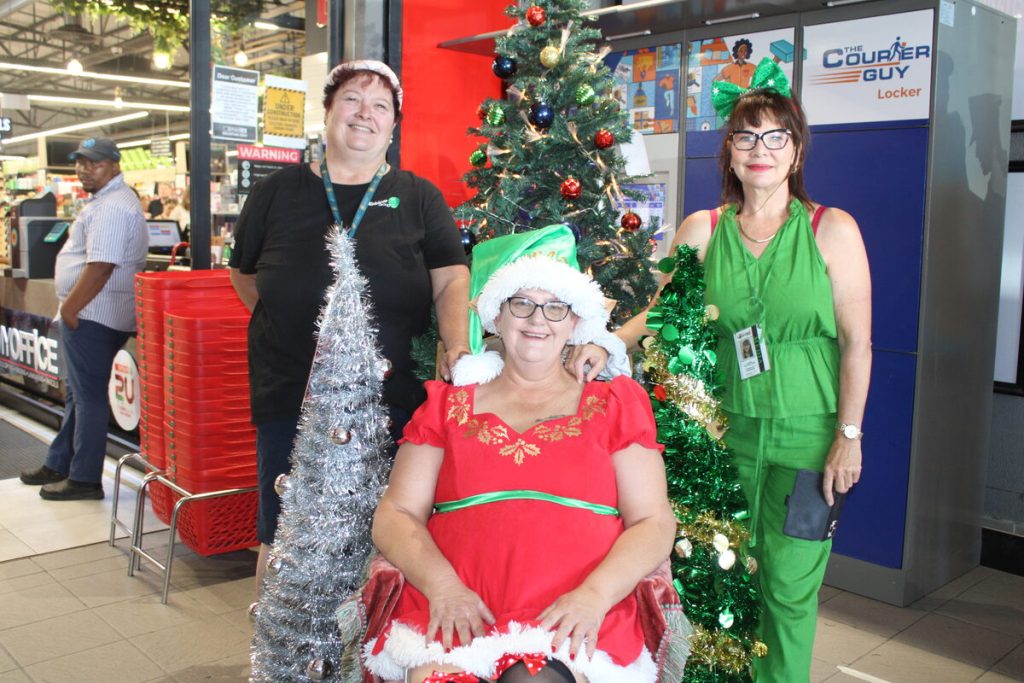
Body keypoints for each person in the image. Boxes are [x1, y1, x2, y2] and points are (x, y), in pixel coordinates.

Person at [229, 61, 611, 596]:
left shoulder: (417, 196)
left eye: (380, 106)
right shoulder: (275, 193)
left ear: (393, 125)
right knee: (285, 531)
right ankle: (281, 657)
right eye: (352, 101)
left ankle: (367, 661)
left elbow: (452, 279)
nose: (364, 114)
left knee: (389, 529)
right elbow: (245, 278)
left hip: (393, 396)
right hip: (292, 394)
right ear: (328, 112)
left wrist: (456, 344)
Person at [616, 58, 871, 683]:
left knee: (788, 589)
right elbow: (660, 315)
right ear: (728, 152)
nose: (760, 149)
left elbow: (858, 345)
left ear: (797, 149)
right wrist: (597, 341)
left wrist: (849, 436)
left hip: (808, 440)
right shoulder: (702, 230)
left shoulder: (831, 230)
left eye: (775, 136)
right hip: (719, 439)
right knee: (718, 587)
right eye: (746, 136)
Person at [364, 247, 679, 683]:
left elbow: (653, 521)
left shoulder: (615, 404)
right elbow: (395, 513)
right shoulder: (446, 405)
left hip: (573, 611)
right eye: (522, 303)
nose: (537, 320)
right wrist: (442, 587)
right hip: (458, 606)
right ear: (497, 315)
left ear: (574, 322)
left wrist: (595, 595)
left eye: (555, 307)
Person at [20, 137, 148, 500]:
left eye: (93, 162)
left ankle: (85, 478)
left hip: (94, 315)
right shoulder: (108, 201)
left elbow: (101, 266)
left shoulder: (112, 207)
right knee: (78, 395)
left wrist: (71, 308)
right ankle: (61, 461)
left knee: (88, 397)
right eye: (80, 162)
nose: (83, 169)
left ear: (114, 165)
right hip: (97, 313)